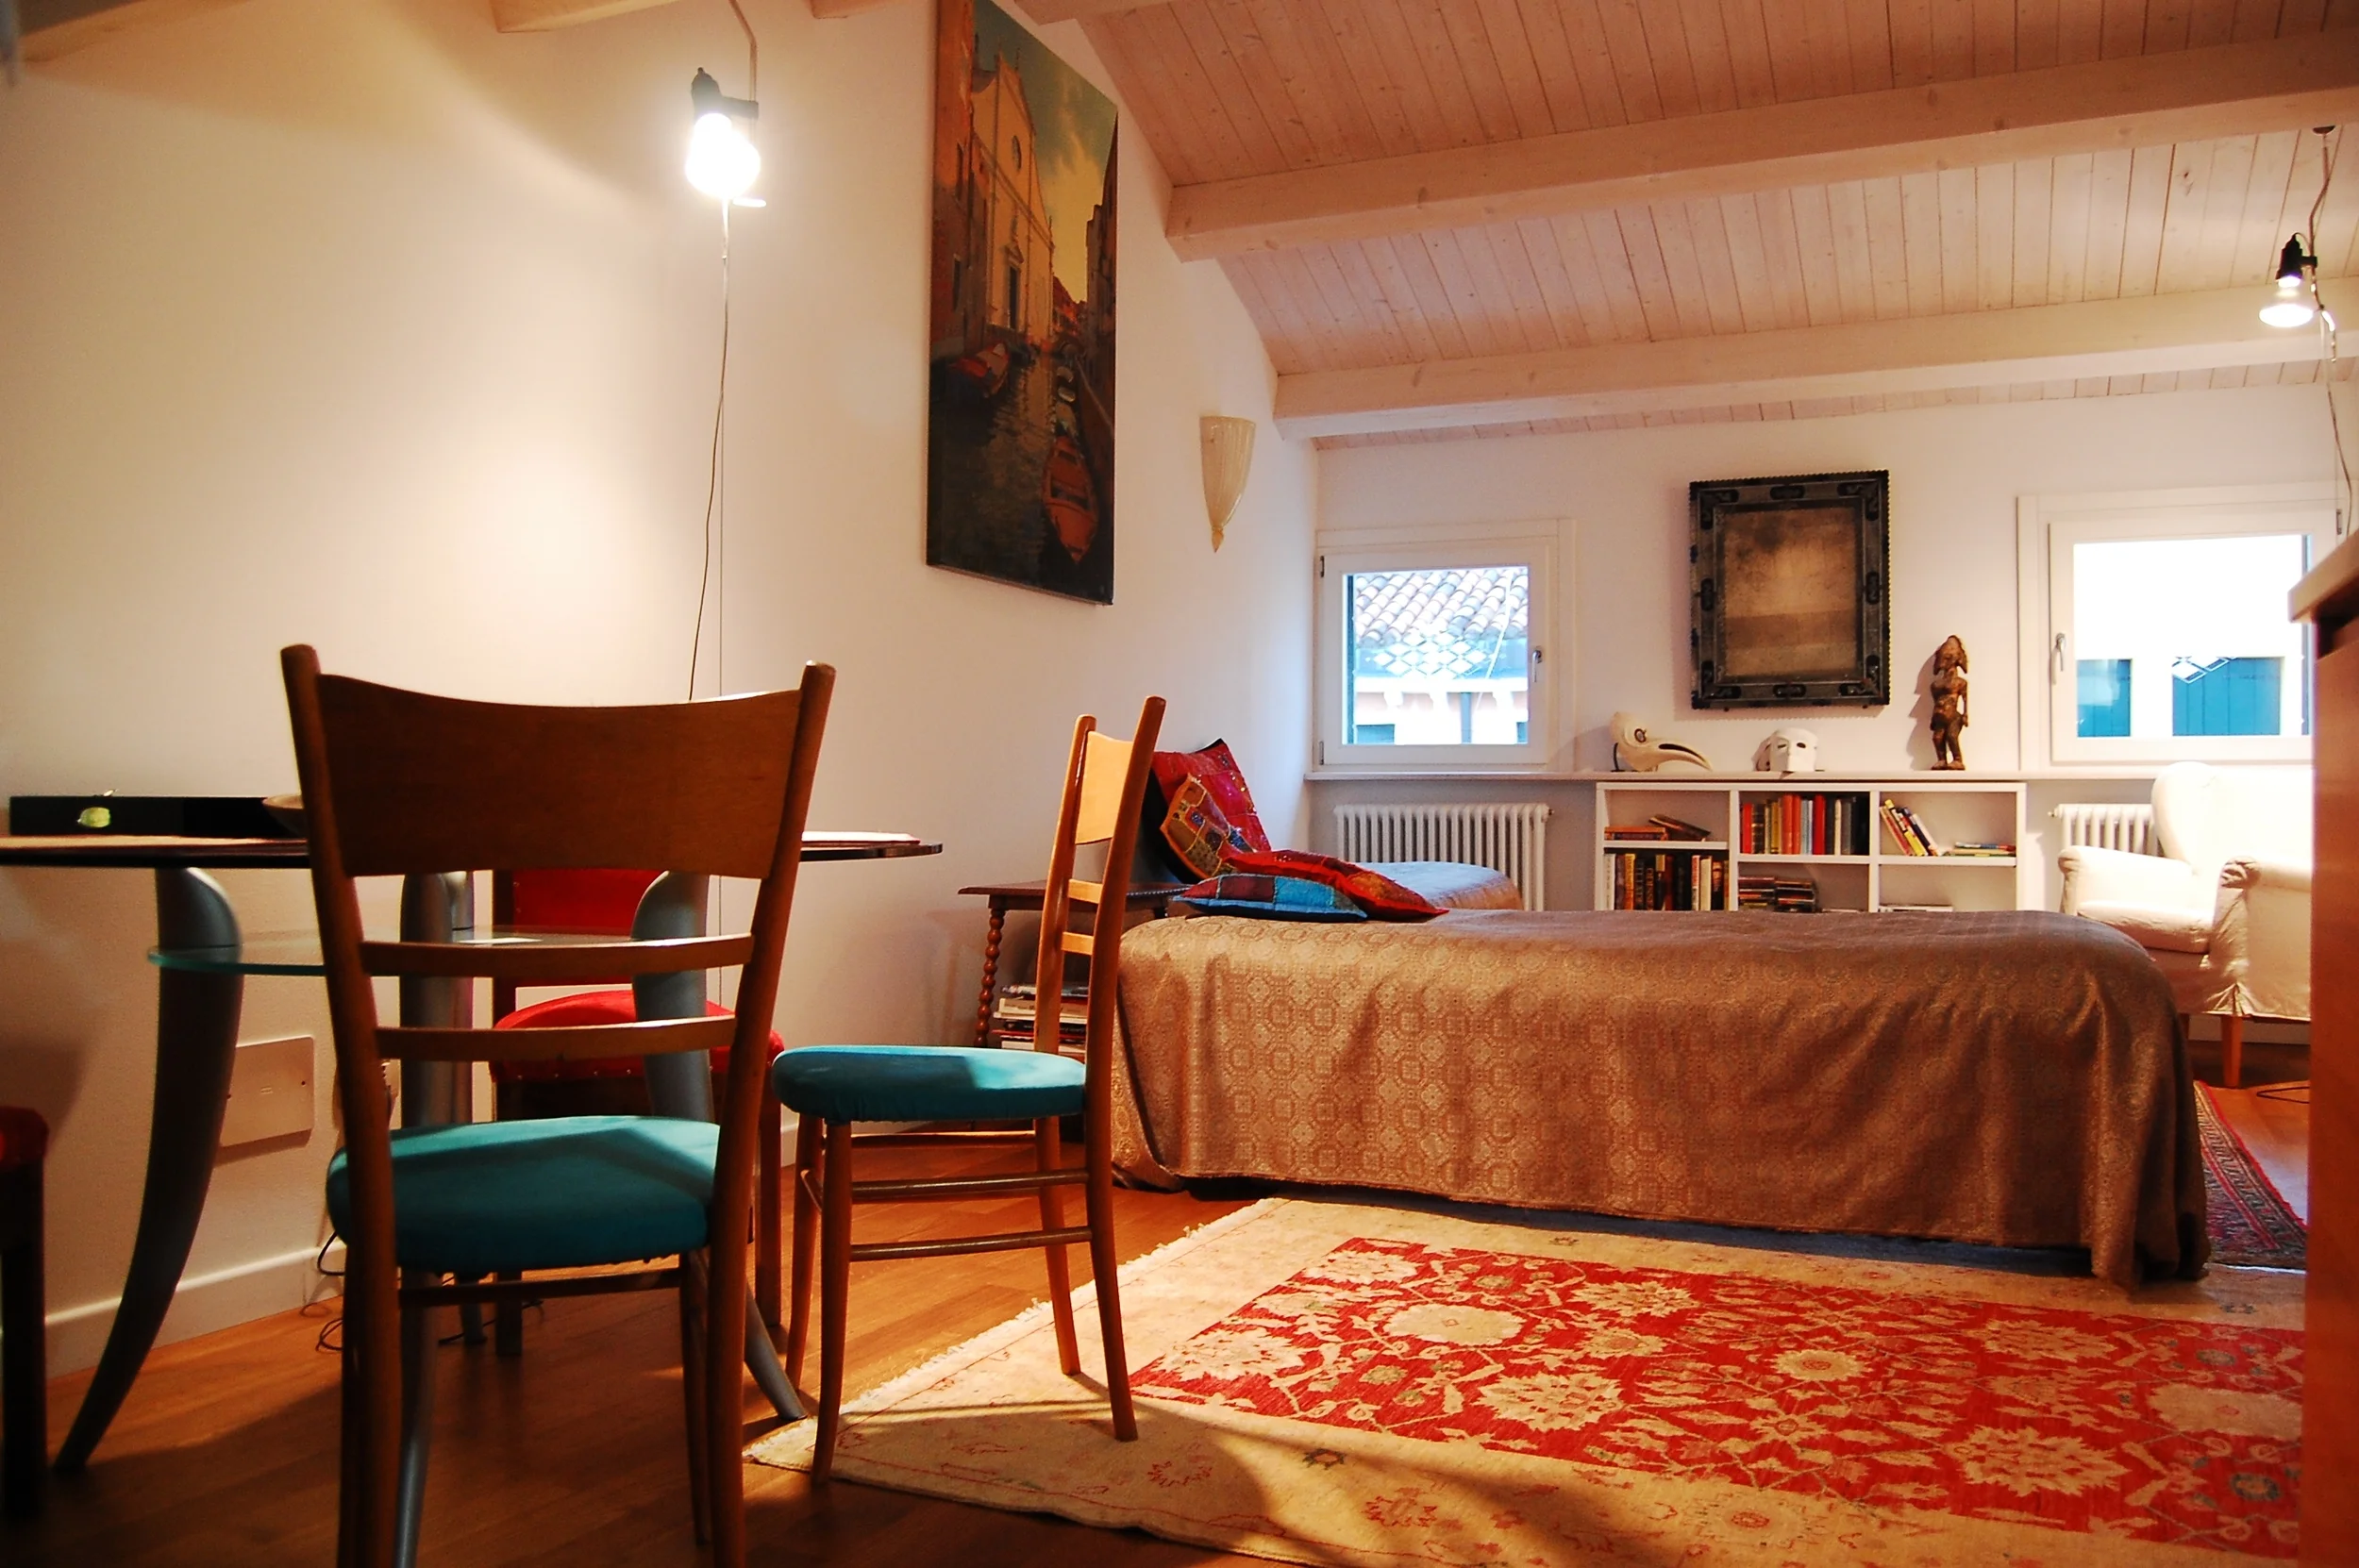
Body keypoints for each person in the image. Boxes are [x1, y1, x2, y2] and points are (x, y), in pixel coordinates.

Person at [1931, 636, 1969, 770]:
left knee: (1952, 736)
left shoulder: (1960, 683)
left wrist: (1965, 714)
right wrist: (1933, 719)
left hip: (1953, 716)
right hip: (1940, 715)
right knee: (1937, 738)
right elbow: (1935, 702)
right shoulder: (1936, 685)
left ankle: (1957, 759)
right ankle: (1941, 759)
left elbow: (1965, 699)